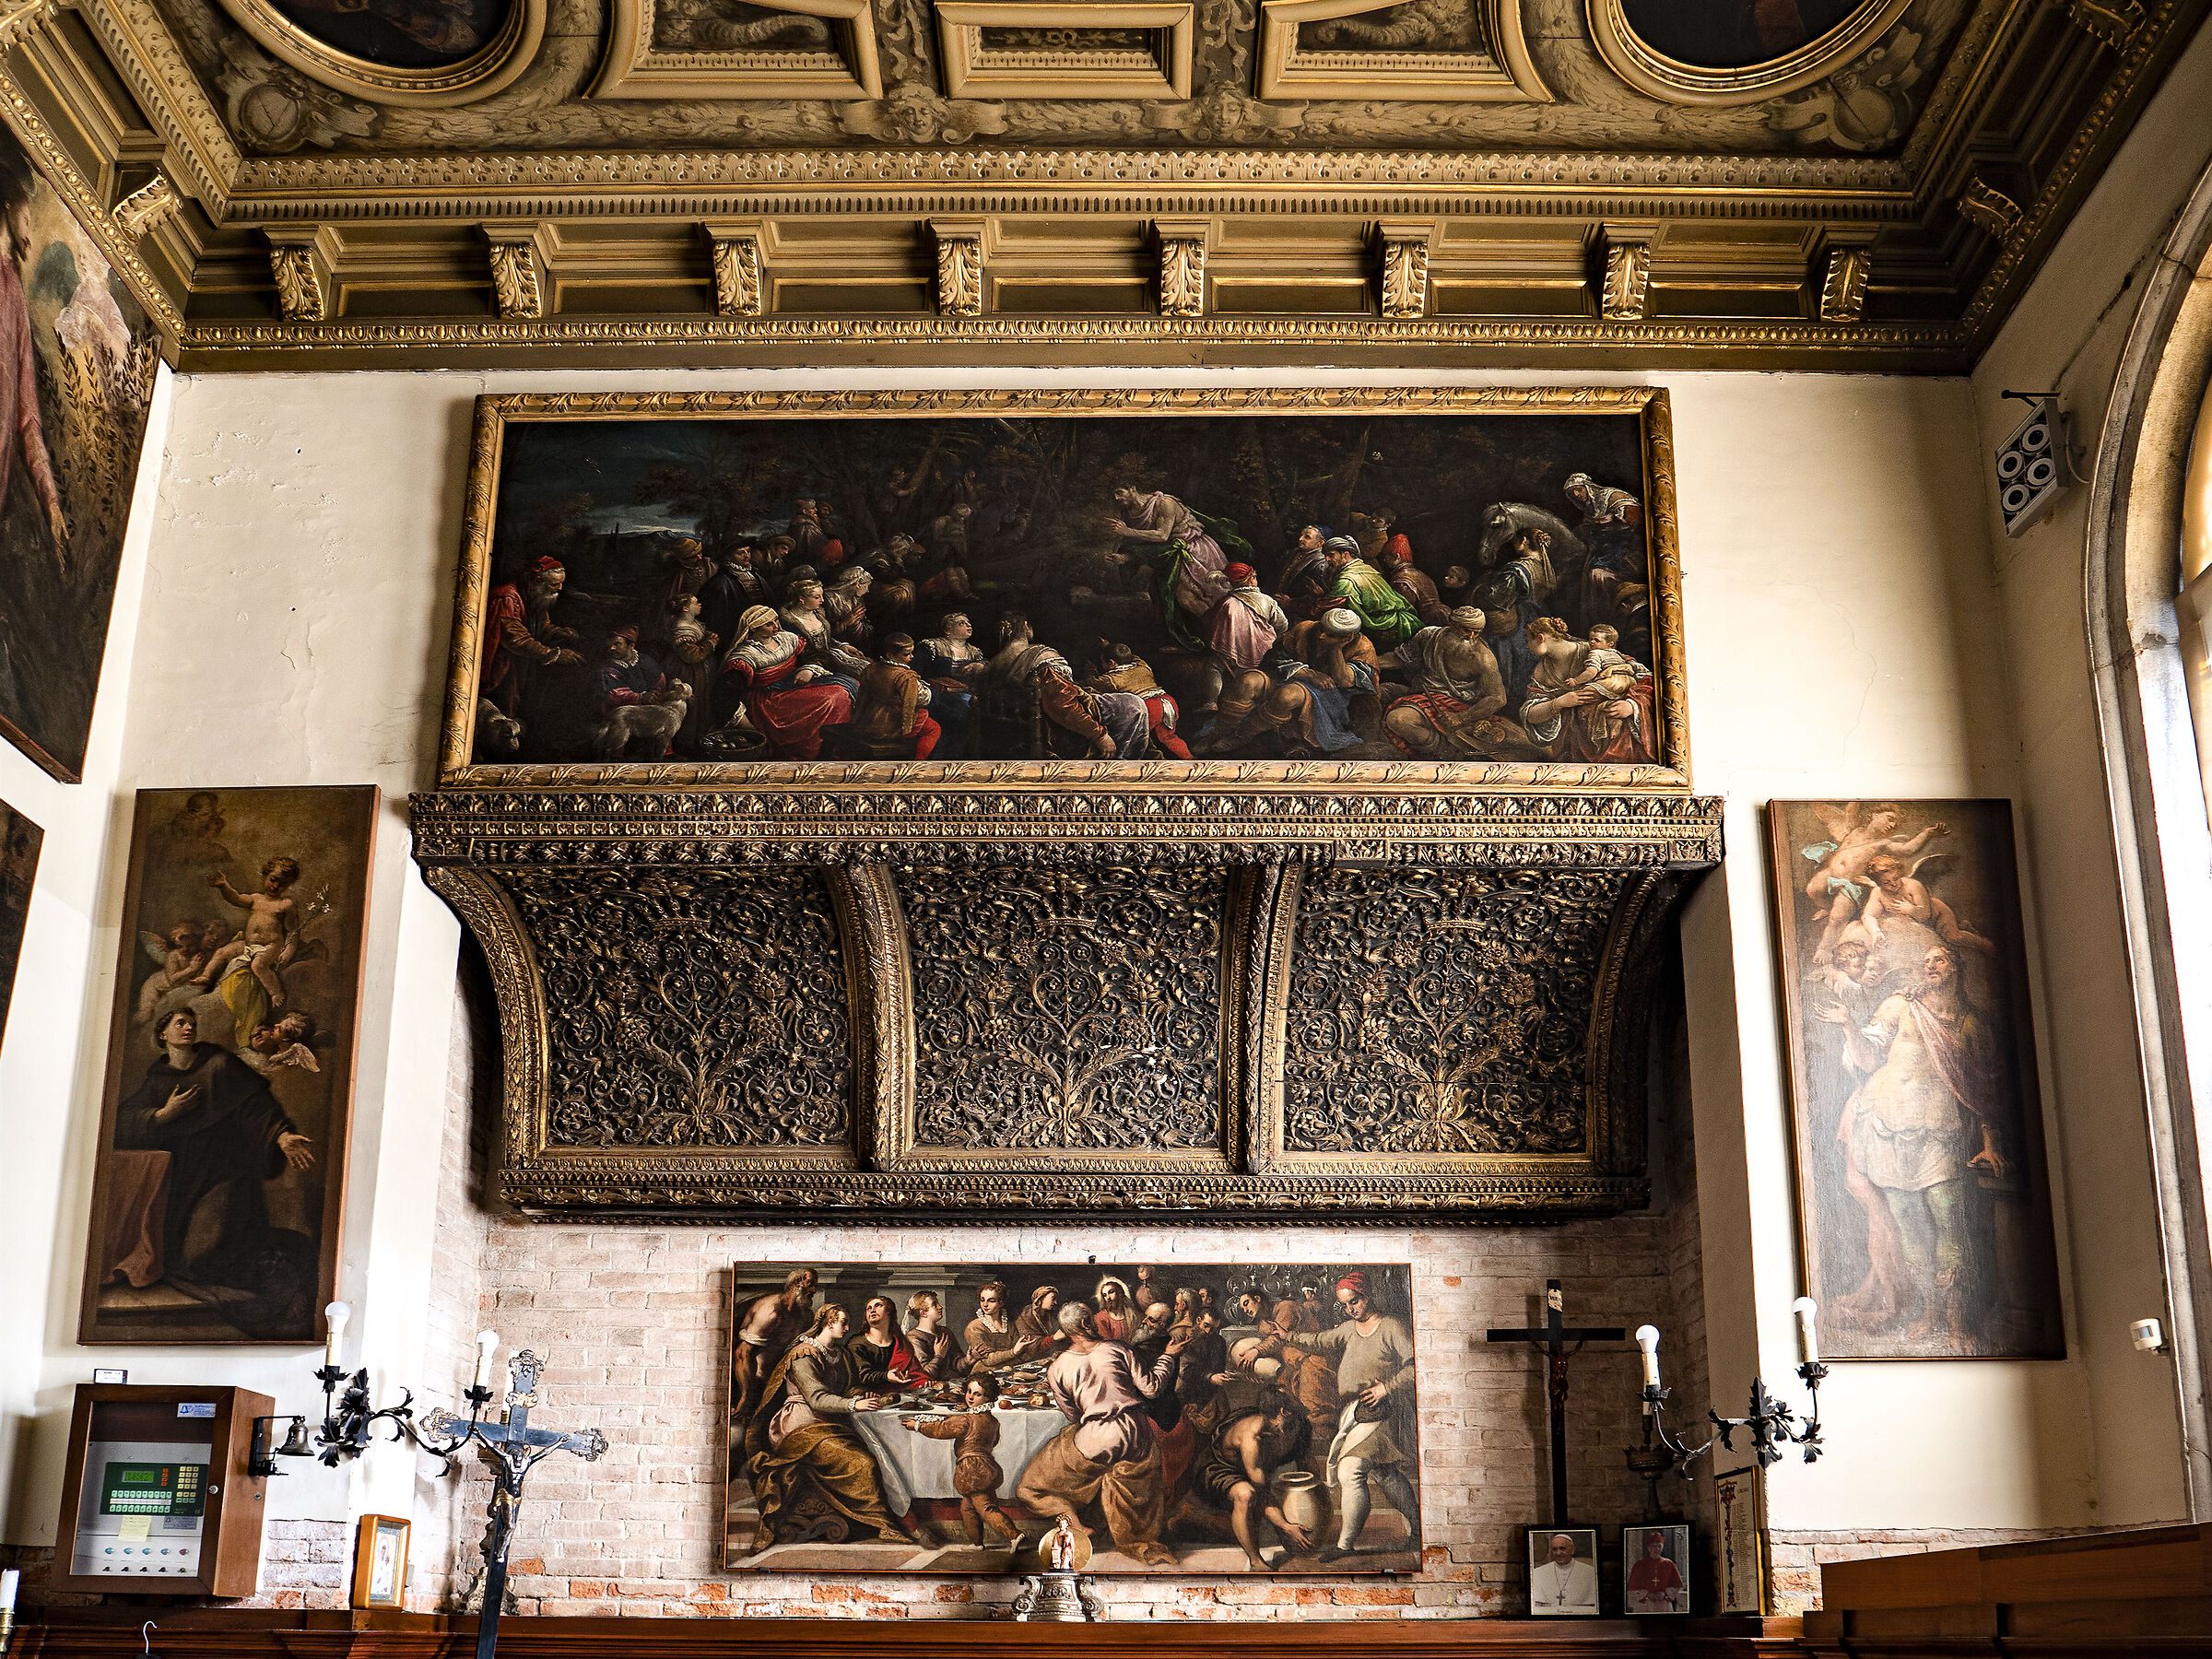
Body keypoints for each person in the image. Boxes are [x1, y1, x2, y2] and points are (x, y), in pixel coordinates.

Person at [1818, 944, 2008, 1349]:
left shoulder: (1970, 1022)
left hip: (1938, 1130)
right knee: (1908, 1227)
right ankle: (1931, 1312)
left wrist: (1990, 1142)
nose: (1930, 965)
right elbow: (1868, 1059)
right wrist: (1849, 1025)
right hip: (1886, 1124)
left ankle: (1960, 1321)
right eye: (1925, 961)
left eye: (1939, 959)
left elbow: (1985, 1087)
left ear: (1956, 967)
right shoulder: (1899, 1006)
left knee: (1949, 1223)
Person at [112, 1009, 316, 1306]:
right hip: (182, 1175)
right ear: (162, 1034)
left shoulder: (219, 1065)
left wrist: (281, 1136)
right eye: (180, 1023)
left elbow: (257, 1106)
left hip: (225, 1168)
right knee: (179, 1259)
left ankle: (281, 1269)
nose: (189, 1028)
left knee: (209, 1253)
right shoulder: (158, 1079)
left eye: (193, 1024)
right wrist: (162, 1115)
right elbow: (123, 1121)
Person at [1015, 1300, 1188, 1566]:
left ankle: (1072, 1519)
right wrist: (1169, 1356)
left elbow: (1073, 1416)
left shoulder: (1057, 1367)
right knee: (1124, 1468)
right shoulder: (1117, 1349)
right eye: (1092, 1321)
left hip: (1095, 1438)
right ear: (1086, 1325)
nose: (1096, 1324)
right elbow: (1152, 1389)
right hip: (1137, 1434)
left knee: (1029, 1487)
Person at [743, 1302, 921, 1548]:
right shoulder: (803, 1355)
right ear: (828, 1323)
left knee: (878, 1451)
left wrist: (863, 1396)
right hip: (800, 1425)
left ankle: (882, 1521)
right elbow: (817, 1398)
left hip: (828, 1422)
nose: (848, 1328)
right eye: (843, 1322)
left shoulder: (841, 1354)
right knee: (863, 1463)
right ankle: (882, 1524)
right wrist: (853, 1405)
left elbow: (849, 1388)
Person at [1270, 1271, 1418, 1562]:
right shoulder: (1350, 1329)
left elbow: (1417, 1365)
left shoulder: (1392, 1327)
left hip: (1381, 1410)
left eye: (1355, 1301)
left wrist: (1386, 1388)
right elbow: (1321, 1341)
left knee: (1351, 1470)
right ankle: (1419, 1529)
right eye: (1346, 1305)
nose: (1351, 1309)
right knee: (1383, 1472)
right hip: (1354, 1412)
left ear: (1368, 1295)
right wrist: (1288, 1336)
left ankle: (1345, 1545)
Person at [0, 157, 66, 559]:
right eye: (27, 214)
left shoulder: (15, 295)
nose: (31, 230)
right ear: (9, 206)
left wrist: (51, 502)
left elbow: (27, 416)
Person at [1200, 608, 1377, 756]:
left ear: (1348, 637)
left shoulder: (1362, 648)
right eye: (1321, 629)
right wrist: (1306, 673)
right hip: (1292, 677)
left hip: (1330, 698)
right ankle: (1217, 733)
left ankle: (1242, 735)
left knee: (1287, 696)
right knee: (1248, 681)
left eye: (1330, 635)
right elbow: (1273, 658)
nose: (1322, 636)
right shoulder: (1306, 629)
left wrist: (1336, 649)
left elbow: (1344, 681)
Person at [988, 615, 1149, 759]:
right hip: (1057, 725)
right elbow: (1061, 704)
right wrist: (1099, 735)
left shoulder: (996, 662)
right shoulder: (1040, 656)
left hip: (1028, 719)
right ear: (1025, 625)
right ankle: (1122, 762)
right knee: (1134, 705)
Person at [1101, 481, 1238, 650]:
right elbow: (1144, 545)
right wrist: (1124, 558)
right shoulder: (1129, 514)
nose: (1116, 498)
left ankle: (1224, 641)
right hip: (1167, 556)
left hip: (1192, 551)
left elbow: (1162, 536)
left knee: (1192, 597)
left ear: (1132, 488)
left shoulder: (1164, 503)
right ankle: (1194, 640)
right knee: (1163, 596)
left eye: (1119, 492)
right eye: (1113, 495)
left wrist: (1127, 531)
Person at [1191, 1394, 1317, 1571]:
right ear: (1284, 1412)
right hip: (1219, 1470)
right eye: (1296, 1412)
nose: (1301, 1417)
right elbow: (1261, 1491)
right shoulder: (1252, 1437)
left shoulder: (1292, 1426)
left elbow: (1307, 1461)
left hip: (1252, 1473)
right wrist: (1285, 1526)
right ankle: (1255, 1560)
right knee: (1246, 1495)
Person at [716, 605, 854, 761]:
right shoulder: (745, 655)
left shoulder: (787, 639)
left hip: (793, 686)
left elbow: (818, 655)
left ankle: (833, 747)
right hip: (769, 702)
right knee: (830, 698)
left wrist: (808, 669)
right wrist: (750, 728)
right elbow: (725, 696)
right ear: (753, 629)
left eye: (776, 621)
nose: (776, 626)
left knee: (846, 687)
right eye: (769, 624)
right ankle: (813, 750)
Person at [194, 856, 304, 1051]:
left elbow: (293, 931)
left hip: (270, 946)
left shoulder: (285, 905)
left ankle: (275, 991)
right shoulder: (256, 898)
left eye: (282, 883)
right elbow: (235, 898)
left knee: (258, 966)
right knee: (222, 952)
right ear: (265, 876)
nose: (275, 885)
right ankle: (205, 976)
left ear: (288, 885)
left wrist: (288, 951)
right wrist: (223, 886)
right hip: (248, 945)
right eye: (273, 879)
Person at [1519, 616, 1653, 763]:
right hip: (1577, 742)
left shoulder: (1594, 650)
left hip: (1618, 737)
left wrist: (1632, 706)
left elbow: (1646, 680)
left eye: (1527, 640)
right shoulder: (1542, 671)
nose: (1527, 646)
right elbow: (1530, 715)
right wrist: (1560, 703)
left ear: (1540, 638)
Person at [1384, 606, 1513, 759]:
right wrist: (1369, 662)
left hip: (1461, 706)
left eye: (1477, 632)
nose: (1471, 637)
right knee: (1397, 718)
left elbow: (1498, 698)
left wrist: (1460, 717)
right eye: (1466, 630)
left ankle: (1446, 752)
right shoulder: (1429, 636)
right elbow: (1399, 659)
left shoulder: (1482, 657)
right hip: (1423, 696)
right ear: (1453, 625)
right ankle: (1441, 750)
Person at [900, 1374, 1017, 1545]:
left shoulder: (966, 1420)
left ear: (988, 1397)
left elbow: (942, 1429)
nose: (970, 1396)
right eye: (969, 1391)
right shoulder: (992, 1421)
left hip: (972, 1470)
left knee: (985, 1508)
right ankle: (977, 1544)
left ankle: (1015, 1535)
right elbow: (994, 1441)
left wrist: (918, 1426)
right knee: (968, 1508)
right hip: (988, 1468)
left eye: (977, 1394)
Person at [479, 556, 582, 719]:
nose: (560, 588)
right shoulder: (507, 598)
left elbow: (541, 628)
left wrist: (557, 632)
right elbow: (516, 639)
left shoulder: (536, 597)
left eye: (561, 583)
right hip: (500, 666)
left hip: (519, 664)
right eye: (555, 584)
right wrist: (554, 654)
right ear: (537, 581)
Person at [822, 633, 940, 759]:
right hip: (892, 724)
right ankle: (918, 763)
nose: (911, 657)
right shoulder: (905, 677)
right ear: (890, 655)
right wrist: (928, 690)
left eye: (911, 653)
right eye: (906, 654)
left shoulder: (871, 668)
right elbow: (920, 699)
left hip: (868, 719)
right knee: (934, 729)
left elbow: (862, 696)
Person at [1085, 644, 1190, 759]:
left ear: (1111, 662)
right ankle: (1190, 758)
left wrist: (1091, 669)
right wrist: (1111, 647)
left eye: (1102, 662)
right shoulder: (1142, 666)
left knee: (1137, 737)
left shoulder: (1112, 679)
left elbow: (1092, 682)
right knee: (1168, 737)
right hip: (1167, 702)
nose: (1101, 664)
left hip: (1149, 706)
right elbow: (1134, 657)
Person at [1320, 535, 1421, 650]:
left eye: (1331, 555)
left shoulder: (1347, 580)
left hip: (1389, 629)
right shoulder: (1366, 568)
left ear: (1345, 555)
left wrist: (1318, 596)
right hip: (1401, 622)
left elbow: (1327, 607)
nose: (1327, 559)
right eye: (1326, 556)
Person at [1206, 563, 1288, 672]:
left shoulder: (1226, 603)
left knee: (1212, 667)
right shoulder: (1267, 600)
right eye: (1254, 577)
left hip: (1232, 653)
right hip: (1264, 653)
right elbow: (1283, 625)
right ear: (1251, 580)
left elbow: (1214, 627)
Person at [847, 1293, 927, 1390]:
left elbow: (915, 1373)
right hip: (868, 1395)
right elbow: (860, 1376)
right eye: (869, 1308)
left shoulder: (900, 1343)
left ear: (889, 1311)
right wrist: (887, 1376)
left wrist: (925, 1382)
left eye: (878, 1306)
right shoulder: (857, 1343)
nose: (872, 1310)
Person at [959, 1280, 1030, 1373]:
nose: (985, 1304)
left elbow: (1019, 1350)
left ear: (1001, 1303)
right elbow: (987, 1359)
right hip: (986, 1372)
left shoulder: (1008, 1324)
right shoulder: (974, 1327)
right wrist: (1013, 1352)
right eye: (982, 1300)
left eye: (991, 1301)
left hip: (1010, 1369)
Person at [1530, 1532, 1599, 1613]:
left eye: (1562, 1548)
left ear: (1572, 1550)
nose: (1558, 1553)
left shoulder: (1590, 1572)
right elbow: (1536, 1609)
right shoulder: (1538, 1573)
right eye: (1554, 1549)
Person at [1627, 1530, 1687, 1613]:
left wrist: (1665, 1594)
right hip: (1645, 1604)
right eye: (1653, 1546)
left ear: (1662, 1547)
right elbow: (1632, 1588)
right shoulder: (1640, 1564)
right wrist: (1646, 1594)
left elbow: (1677, 1585)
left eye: (1659, 1546)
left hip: (1664, 1603)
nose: (1656, 1549)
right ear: (1648, 1548)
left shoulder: (1669, 1564)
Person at [904, 1290, 959, 1381]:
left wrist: (970, 1359)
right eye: (934, 1304)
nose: (940, 1307)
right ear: (923, 1313)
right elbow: (924, 1375)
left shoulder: (945, 1332)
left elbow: (957, 1364)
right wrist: (939, 1356)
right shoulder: (914, 1338)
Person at [1093, 1276, 1136, 1341]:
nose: (1108, 1297)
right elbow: (1108, 1343)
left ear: (1119, 1293)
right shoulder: (1101, 1318)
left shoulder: (1132, 1315)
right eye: (1104, 1295)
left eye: (1111, 1292)